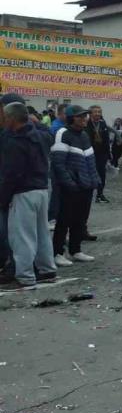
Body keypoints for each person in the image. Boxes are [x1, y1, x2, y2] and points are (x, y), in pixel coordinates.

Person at [0, 102, 57, 289]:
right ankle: (47, 269)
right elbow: (49, 133)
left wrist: (3, 198)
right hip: (41, 189)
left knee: (22, 236)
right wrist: (36, 121)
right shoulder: (40, 135)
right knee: (42, 233)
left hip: (22, 192)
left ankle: (25, 276)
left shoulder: (14, 142)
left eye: (5, 117)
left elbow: (11, 174)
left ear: (12, 118)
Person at [50, 105, 98, 266]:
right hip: (70, 187)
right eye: (80, 116)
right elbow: (58, 163)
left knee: (80, 220)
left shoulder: (84, 135)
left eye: (85, 116)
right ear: (72, 118)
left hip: (85, 186)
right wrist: (69, 183)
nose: (84, 119)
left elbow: (90, 160)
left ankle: (75, 250)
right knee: (64, 220)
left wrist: (94, 180)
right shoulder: (63, 134)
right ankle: (57, 253)